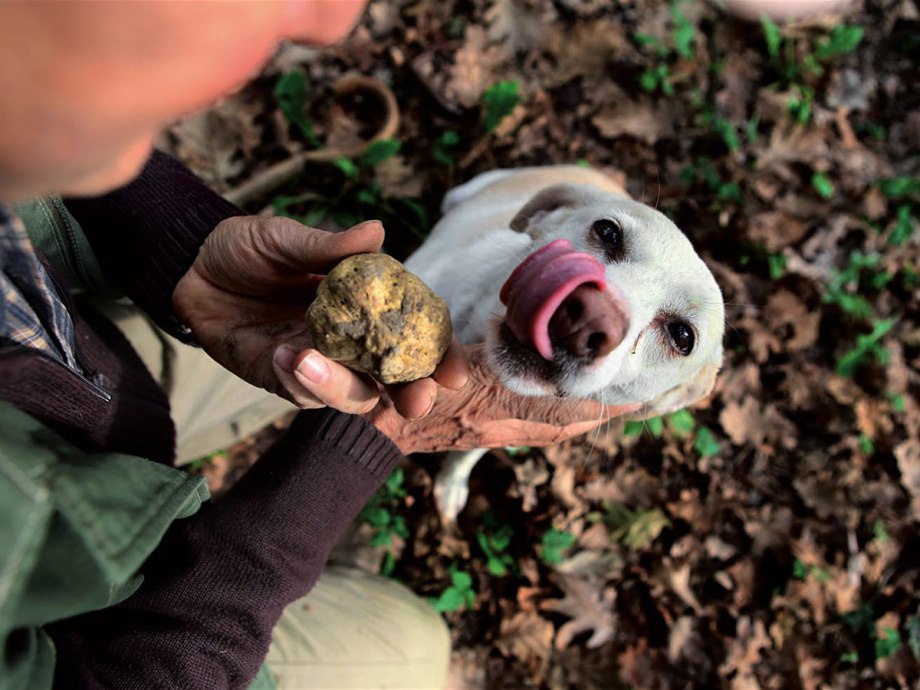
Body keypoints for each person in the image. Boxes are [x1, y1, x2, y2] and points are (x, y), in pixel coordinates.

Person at [0, 2, 636, 689]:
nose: (332, 23)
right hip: (86, 637)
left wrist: (175, 242)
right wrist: (356, 452)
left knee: (303, 364)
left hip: (68, 386)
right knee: (414, 648)